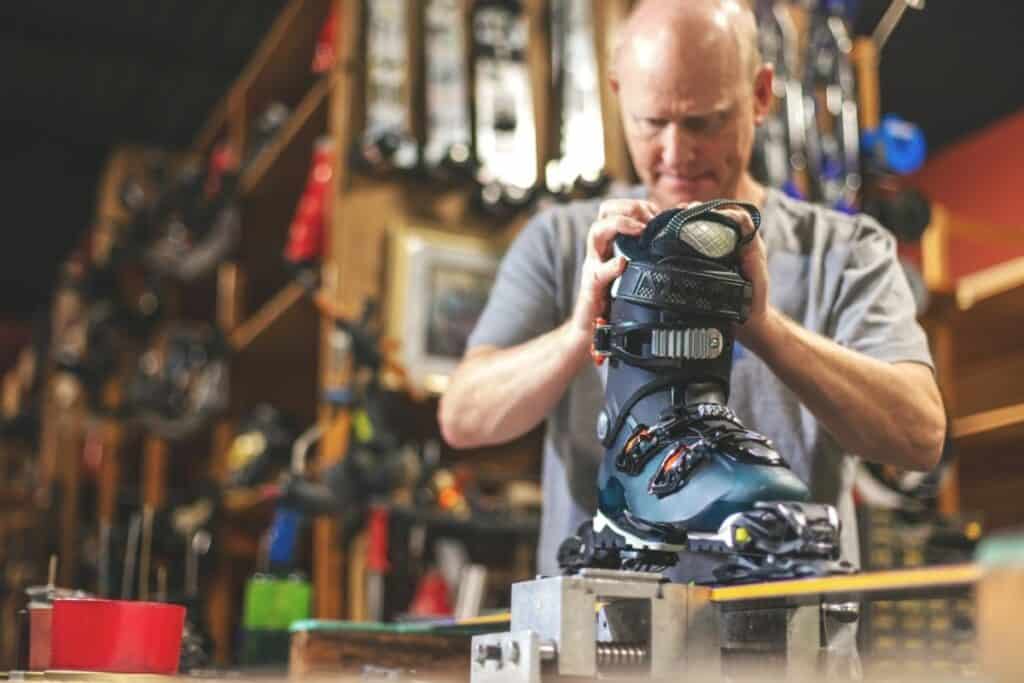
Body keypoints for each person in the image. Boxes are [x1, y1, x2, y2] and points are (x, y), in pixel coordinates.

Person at [438, 0, 945, 581]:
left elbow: (919, 435)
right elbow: (464, 417)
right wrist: (583, 330)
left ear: (759, 96)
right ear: (617, 94)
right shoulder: (562, 241)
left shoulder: (846, 251)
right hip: (606, 653)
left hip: (789, 657)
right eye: (652, 123)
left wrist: (764, 328)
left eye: (705, 122)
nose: (676, 154)